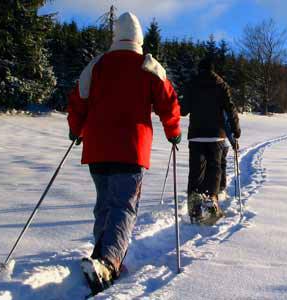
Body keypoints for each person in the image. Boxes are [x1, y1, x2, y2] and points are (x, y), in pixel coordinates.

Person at [66, 12, 181, 294]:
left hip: (98, 148)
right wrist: (173, 132)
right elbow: (168, 102)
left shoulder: (97, 65)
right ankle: (109, 262)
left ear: (115, 36)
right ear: (139, 38)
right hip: (131, 148)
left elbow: (78, 100)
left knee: (105, 204)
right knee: (123, 207)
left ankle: (100, 256)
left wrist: (76, 129)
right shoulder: (148, 66)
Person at [180, 57, 240, 225]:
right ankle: (212, 200)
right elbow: (230, 108)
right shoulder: (221, 85)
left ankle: (195, 206)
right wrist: (236, 130)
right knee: (214, 168)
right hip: (216, 135)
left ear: (200, 69)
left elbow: (183, 110)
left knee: (196, 169)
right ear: (213, 70)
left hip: (196, 134)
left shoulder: (192, 84)